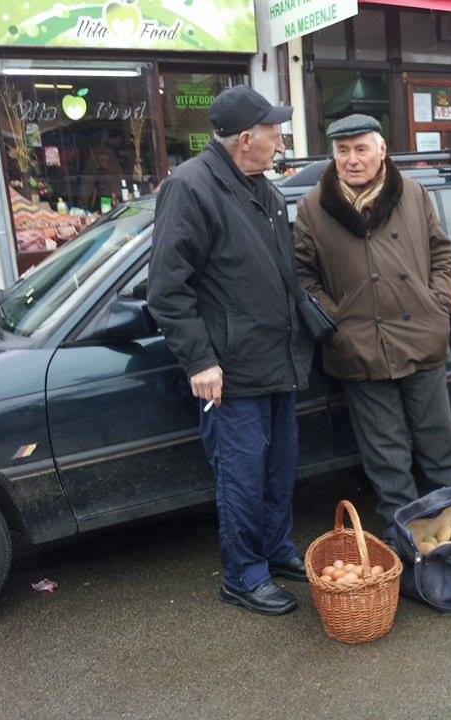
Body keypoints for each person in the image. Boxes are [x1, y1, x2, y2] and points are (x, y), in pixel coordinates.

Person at [147, 85, 314, 616]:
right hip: (231, 370)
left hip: (278, 360)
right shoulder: (190, 188)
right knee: (241, 476)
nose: (280, 140)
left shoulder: (264, 188)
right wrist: (199, 360)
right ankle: (243, 575)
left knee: (279, 468)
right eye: (274, 131)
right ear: (247, 138)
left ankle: (275, 549)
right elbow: (167, 290)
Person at [294, 114, 451, 527]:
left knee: (439, 446)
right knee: (385, 457)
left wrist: (439, 304)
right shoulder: (313, 207)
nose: (352, 159)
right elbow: (303, 277)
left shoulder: (412, 193)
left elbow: (442, 254)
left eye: (361, 149)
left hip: (421, 337)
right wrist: (335, 324)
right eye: (343, 150)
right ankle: (404, 541)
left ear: (382, 151)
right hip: (358, 350)